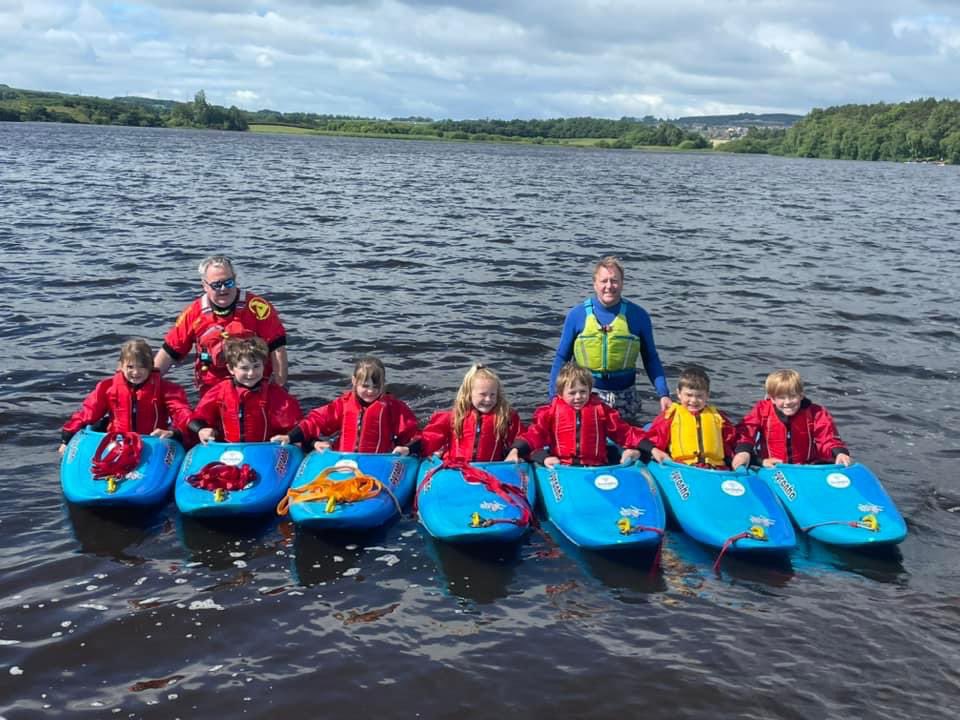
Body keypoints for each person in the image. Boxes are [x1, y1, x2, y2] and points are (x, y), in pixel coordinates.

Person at [549, 255, 671, 423]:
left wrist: (663, 394)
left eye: (614, 281)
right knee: (587, 443)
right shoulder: (577, 315)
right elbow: (562, 358)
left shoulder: (638, 315)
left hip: (626, 396)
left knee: (627, 443)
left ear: (622, 283)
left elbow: (651, 359)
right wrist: (554, 396)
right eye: (604, 281)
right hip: (586, 396)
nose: (609, 286)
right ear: (595, 284)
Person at [154, 255, 288, 396]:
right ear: (205, 285)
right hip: (213, 390)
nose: (223, 289)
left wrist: (279, 390)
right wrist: (148, 383)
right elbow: (169, 352)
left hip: (255, 386)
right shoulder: (193, 313)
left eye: (228, 283)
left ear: (235, 279)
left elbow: (277, 349)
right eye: (216, 285)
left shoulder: (258, 307)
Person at [59, 338, 192, 454]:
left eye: (142, 367)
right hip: (118, 442)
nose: (135, 372)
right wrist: (67, 438)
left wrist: (175, 434)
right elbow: (88, 413)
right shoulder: (107, 387)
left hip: (153, 443)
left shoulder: (168, 389)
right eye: (130, 367)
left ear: (151, 366)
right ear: (121, 366)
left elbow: (182, 414)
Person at [508, 362, 646, 468]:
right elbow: (534, 435)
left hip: (597, 466)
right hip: (562, 465)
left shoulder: (601, 410)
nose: (578, 397)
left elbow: (625, 432)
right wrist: (517, 450)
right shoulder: (551, 413)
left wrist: (649, 448)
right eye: (572, 393)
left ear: (590, 390)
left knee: (625, 450)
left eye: (583, 391)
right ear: (561, 394)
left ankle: (635, 453)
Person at [272, 356, 420, 455]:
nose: (370, 391)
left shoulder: (393, 407)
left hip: (378, 461)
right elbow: (315, 421)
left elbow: (414, 434)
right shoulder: (343, 404)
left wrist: (407, 448)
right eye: (365, 385)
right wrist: (293, 438)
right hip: (343, 461)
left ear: (383, 384)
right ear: (354, 381)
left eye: (376, 386)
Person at [188, 336, 302, 444]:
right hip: (229, 449)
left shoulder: (274, 394)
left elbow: (296, 425)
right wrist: (201, 429)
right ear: (231, 369)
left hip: (265, 448)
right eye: (244, 368)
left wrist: (289, 437)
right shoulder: (220, 391)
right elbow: (196, 418)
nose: (251, 373)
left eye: (256, 366)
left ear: (264, 366)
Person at [731, 369, 852, 469]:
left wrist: (839, 453)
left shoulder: (816, 413)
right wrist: (744, 452)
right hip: (772, 467)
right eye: (781, 398)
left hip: (806, 467)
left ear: (801, 395)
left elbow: (828, 438)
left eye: (793, 396)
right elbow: (745, 432)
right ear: (772, 398)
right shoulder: (762, 410)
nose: (788, 402)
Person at [420, 363, 524, 462]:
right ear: (469, 394)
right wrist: (413, 449)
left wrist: (516, 452)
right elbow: (430, 438)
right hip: (456, 468)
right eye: (482, 394)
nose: (488, 399)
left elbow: (521, 438)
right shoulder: (453, 417)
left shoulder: (505, 417)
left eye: (492, 395)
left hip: (492, 467)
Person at [638, 366, 736, 468]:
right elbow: (655, 440)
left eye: (699, 396)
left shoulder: (718, 417)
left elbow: (730, 442)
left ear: (707, 395)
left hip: (716, 468)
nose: (693, 400)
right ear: (679, 394)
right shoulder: (671, 415)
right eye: (689, 395)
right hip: (682, 467)